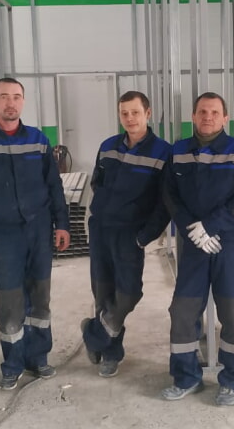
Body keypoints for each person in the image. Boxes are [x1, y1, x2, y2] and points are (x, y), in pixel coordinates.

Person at [0, 77, 71, 390]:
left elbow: (54, 185)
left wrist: (62, 224)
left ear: (23, 101)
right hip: (3, 234)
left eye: (16, 96)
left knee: (40, 298)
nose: (10, 103)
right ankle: (12, 364)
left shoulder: (39, 140)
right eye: (3, 97)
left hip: (39, 229)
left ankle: (38, 358)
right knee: (11, 301)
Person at [161, 92, 234, 407]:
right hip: (193, 246)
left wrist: (212, 226)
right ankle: (186, 377)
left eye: (215, 112)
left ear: (225, 118)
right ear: (193, 116)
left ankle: (232, 381)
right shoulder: (178, 152)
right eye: (202, 111)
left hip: (230, 246)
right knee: (183, 311)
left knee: (233, 313)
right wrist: (193, 229)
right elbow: (170, 195)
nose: (208, 117)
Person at [81, 91, 171, 378]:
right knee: (103, 292)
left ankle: (94, 333)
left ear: (147, 113)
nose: (130, 118)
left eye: (135, 112)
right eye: (124, 113)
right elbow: (97, 182)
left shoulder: (163, 152)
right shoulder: (108, 146)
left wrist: (145, 236)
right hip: (102, 230)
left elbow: (165, 203)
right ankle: (110, 353)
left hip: (131, 234)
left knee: (129, 293)